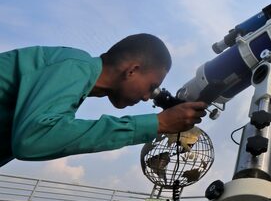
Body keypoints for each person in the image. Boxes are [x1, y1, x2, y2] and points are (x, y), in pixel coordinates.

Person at [0, 33, 207, 168]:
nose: (146, 97)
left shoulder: (73, 81)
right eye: (151, 87)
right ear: (133, 70)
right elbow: (34, 139)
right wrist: (158, 123)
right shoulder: (75, 66)